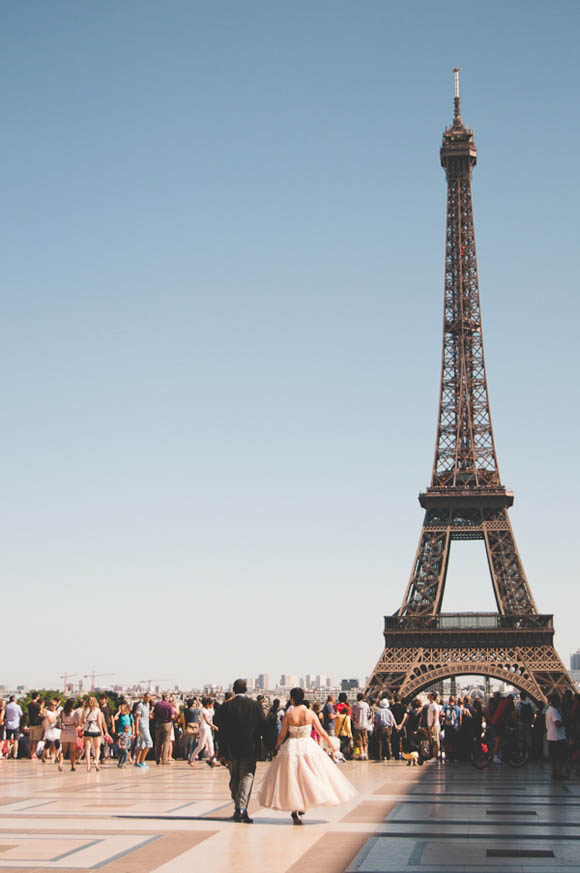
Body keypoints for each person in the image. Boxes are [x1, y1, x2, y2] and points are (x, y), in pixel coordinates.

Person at [258, 687, 357, 825]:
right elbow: (321, 731)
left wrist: (276, 747)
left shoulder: (289, 714)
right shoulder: (310, 713)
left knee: (292, 779)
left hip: (291, 746)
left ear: (292, 699)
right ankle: (303, 805)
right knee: (309, 776)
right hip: (308, 746)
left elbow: (282, 735)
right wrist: (332, 745)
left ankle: (295, 808)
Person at [216, 678, 271, 823]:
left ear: (234, 689)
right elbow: (263, 726)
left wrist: (221, 751)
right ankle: (241, 809)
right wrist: (269, 746)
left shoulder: (226, 707)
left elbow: (221, 731)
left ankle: (238, 807)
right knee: (247, 777)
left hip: (231, 749)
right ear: (246, 689)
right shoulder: (254, 705)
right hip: (250, 748)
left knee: (234, 778)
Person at [81, 696, 109, 773]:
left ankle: (88, 766)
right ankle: (96, 761)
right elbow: (99, 723)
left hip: (87, 730)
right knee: (97, 748)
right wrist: (102, 732)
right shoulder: (98, 710)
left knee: (87, 749)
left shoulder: (85, 710)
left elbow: (81, 722)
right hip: (96, 730)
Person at [189, 697, 218, 767]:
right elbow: (206, 721)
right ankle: (191, 759)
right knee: (201, 746)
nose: (212, 706)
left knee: (211, 745)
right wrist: (214, 726)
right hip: (204, 728)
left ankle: (213, 760)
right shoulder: (204, 711)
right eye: (211, 704)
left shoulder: (206, 710)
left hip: (207, 729)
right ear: (208, 704)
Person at [545, 692, 566, 780]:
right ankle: (559, 773)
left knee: (553, 757)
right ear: (556, 701)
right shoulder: (554, 711)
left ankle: (554, 772)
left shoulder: (548, 710)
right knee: (559, 757)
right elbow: (557, 723)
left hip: (551, 736)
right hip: (557, 737)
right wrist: (565, 723)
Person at [57, 698, 81, 771]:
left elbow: (58, 721)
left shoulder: (62, 712)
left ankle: (60, 763)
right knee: (72, 751)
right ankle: (73, 766)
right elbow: (77, 724)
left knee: (63, 750)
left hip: (64, 731)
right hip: (72, 731)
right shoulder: (75, 713)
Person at [154, 692, 174, 765]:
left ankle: (157, 758)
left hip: (158, 723)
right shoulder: (169, 705)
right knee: (166, 743)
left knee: (158, 742)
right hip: (167, 724)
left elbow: (154, 714)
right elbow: (172, 716)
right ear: (166, 697)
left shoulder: (157, 704)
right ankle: (164, 759)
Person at [134, 692, 153, 768]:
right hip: (142, 726)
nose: (148, 699)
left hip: (146, 725)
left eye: (149, 697)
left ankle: (137, 761)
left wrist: (149, 716)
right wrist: (136, 729)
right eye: (146, 697)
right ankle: (142, 761)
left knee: (141, 744)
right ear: (144, 697)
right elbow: (138, 717)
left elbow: (145, 715)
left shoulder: (148, 705)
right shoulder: (140, 705)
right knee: (149, 743)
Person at [351, 693, 372, 760]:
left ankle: (362, 754)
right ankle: (366, 754)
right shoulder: (366, 705)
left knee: (359, 740)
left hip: (357, 725)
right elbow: (369, 715)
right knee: (365, 740)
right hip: (365, 725)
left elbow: (353, 715)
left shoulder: (354, 705)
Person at [41, 698, 61, 764]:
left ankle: (56, 757)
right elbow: (50, 721)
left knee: (57, 743)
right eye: (52, 705)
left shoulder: (57, 712)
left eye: (55, 705)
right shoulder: (47, 712)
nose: (54, 706)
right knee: (48, 744)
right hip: (49, 729)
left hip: (56, 730)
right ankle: (43, 756)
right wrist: (55, 715)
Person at [27, 693, 44, 759]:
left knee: (31, 740)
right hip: (37, 723)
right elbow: (41, 714)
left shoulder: (29, 705)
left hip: (31, 723)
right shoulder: (38, 705)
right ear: (37, 697)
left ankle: (29, 753)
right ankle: (33, 753)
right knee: (35, 740)